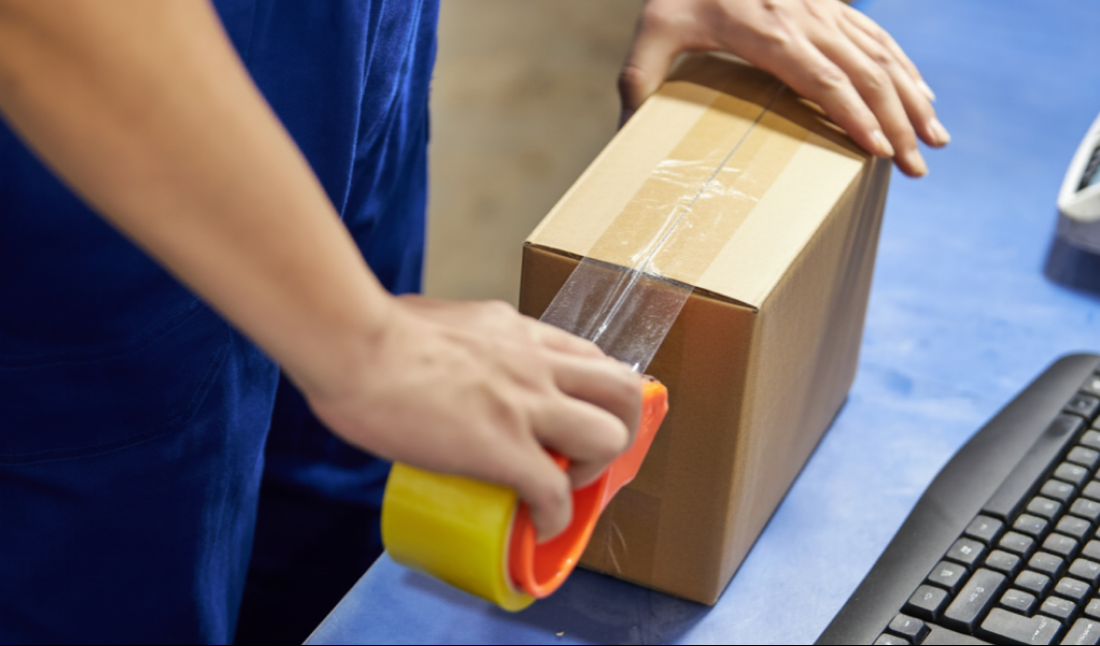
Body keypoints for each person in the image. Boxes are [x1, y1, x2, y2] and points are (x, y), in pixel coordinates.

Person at [0, 0, 948, 643]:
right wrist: (361, 340)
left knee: (331, 528)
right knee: (124, 581)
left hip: (346, 37)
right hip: (93, 116)